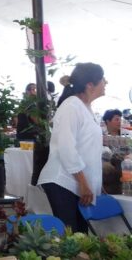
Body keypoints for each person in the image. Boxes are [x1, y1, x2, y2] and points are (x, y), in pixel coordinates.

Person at [37, 63, 106, 233]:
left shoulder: (85, 108)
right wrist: (83, 182)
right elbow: (67, 148)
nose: (106, 82)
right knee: (71, 237)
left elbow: (88, 150)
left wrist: (95, 182)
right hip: (64, 181)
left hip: (77, 182)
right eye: (103, 79)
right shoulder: (71, 106)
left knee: (80, 236)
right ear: (90, 85)